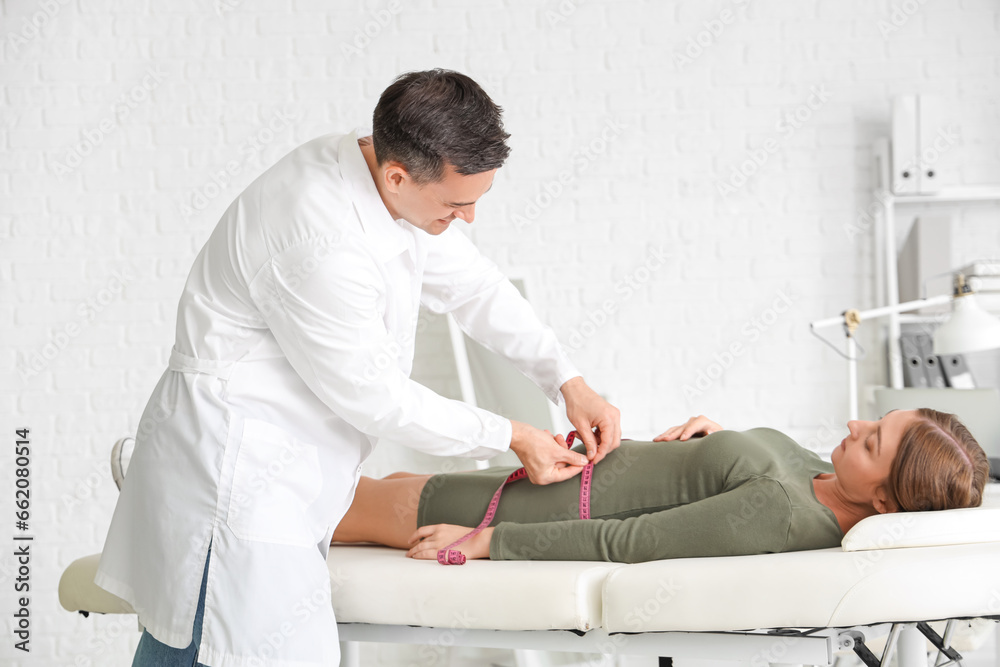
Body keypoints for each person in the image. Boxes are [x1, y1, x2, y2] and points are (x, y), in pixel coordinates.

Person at [94, 69, 621, 667]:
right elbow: (376, 396)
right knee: (216, 641)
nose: (468, 219)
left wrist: (567, 381)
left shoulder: (390, 182)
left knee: (203, 642)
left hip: (292, 473)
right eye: (458, 204)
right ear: (398, 176)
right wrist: (513, 435)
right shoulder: (317, 235)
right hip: (235, 472)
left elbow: (476, 288)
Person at [331, 409, 989, 564]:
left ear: (883, 502)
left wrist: (488, 542)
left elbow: (634, 539)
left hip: (534, 505)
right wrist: (720, 441)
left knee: (345, 507)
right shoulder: (826, 478)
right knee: (386, 481)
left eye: (872, 439)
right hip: (555, 476)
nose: (856, 423)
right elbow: (754, 470)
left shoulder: (785, 515)